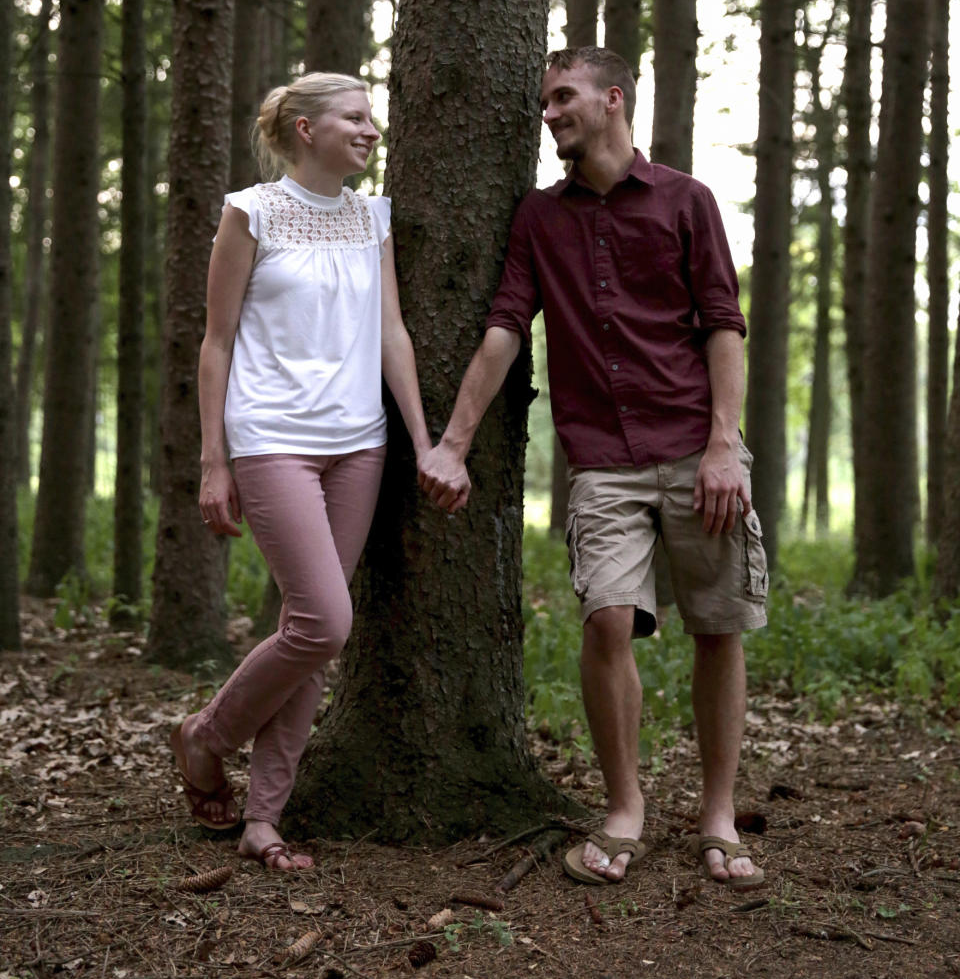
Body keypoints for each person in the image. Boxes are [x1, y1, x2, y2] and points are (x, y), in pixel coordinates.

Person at [419, 46, 768, 890]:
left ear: (614, 100)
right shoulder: (539, 219)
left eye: (563, 97)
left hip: (696, 447)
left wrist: (726, 444)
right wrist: (453, 444)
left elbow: (724, 323)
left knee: (717, 628)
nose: (549, 113)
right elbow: (507, 326)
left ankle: (718, 815)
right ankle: (625, 808)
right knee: (609, 620)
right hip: (602, 460)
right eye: (545, 101)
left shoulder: (688, 201)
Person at [170, 72, 457, 871]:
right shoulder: (250, 211)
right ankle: (205, 735)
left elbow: (392, 333)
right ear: (304, 128)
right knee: (324, 621)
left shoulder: (373, 217)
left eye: (372, 118)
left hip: (359, 443)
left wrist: (423, 439)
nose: (372, 130)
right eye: (355, 117)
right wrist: (212, 462)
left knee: (311, 635)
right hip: (272, 441)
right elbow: (216, 343)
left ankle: (265, 817)